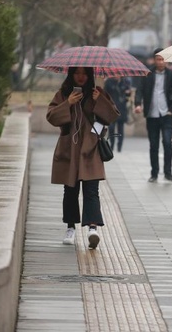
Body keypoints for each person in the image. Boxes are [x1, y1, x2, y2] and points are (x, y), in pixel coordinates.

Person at [46, 67, 120, 249]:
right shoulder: (63, 94)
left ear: (90, 75)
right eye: (77, 73)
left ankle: (92, 228)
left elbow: (112, 116)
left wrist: (99, 101)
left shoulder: (97, 93)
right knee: (70, 190)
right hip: (70, 149)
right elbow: (51, 116)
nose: (80, 77)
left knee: (91, 189)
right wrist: (68, 103)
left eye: (84, 73)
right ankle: (70, 228)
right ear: (71, 74)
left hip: (91, 148)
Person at [134, 48, 172, 183]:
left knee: (167, 143)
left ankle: (168, 172)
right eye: (158, 59)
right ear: (154, 60)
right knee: (153, 145)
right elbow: (140, 90)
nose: (160, 62)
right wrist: (137, 104)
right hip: (152, 114)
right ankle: (154, 173)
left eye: (163, 59)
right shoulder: (147, 74)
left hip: (166, 114)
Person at [104, 76, 131, 152]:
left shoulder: (125, 82)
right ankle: (111, 145)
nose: (117, 75)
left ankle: (119, 146)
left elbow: (128, 96)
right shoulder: (109, 82)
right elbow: (105, 94)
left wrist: (128, 93)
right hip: (112, 109)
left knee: (120, 129)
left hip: (122, 109)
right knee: (111, 128)